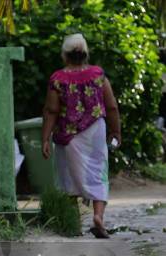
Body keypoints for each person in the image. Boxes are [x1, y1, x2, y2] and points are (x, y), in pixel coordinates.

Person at [41, 33, 121, 239]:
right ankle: (98, 216)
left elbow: (51, 110)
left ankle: (74, 223)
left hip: (68, 136)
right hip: (95, 131)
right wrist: (115, 131)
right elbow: (111, 106)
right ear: (85, 53)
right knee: (98, 173)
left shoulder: (57, 79)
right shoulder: (97, 75)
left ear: (64, 56)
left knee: (68, 177)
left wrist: (45, 138)